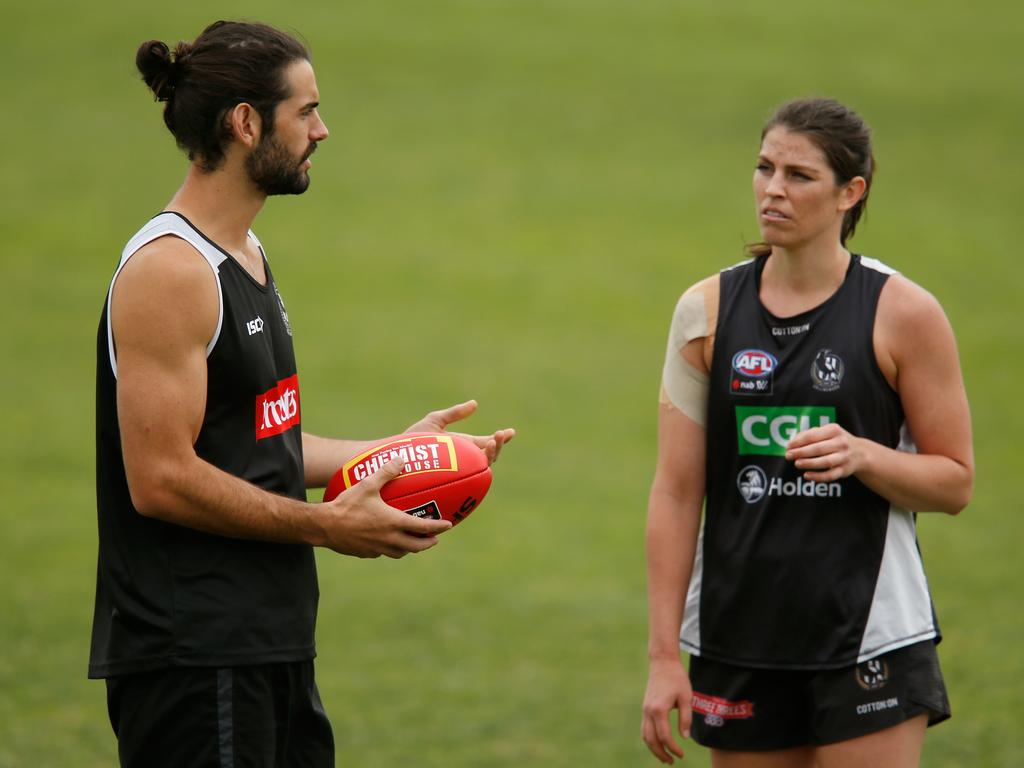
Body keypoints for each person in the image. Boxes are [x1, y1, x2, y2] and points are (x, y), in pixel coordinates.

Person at [90, 21, 514, 767]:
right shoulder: (171, 273)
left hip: (267, 642)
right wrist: (327, 526)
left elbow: (259, 441)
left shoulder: (244, 254)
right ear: (246, 123)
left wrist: (394, 452)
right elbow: (158, 479)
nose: (324, 129)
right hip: (194, 656)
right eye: (306, 111)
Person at [641, 97, 973, 767]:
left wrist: (864, 455)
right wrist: (662, 657)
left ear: (851, 192)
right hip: (738, 638)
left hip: (869, 636)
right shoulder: (704, 313)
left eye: (799, 175)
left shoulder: (903, 313)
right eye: (765, 168)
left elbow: (955, 482)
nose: (773, 190)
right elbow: (676, 495)